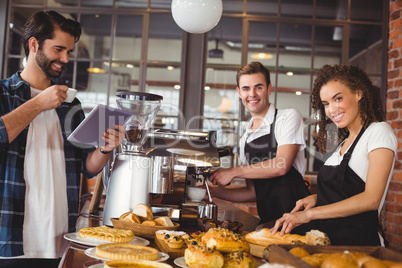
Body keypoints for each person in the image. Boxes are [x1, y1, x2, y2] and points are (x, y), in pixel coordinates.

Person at [0, 11, 124, 267]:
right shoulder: (3, 94)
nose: (65, 59)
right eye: (59, 49)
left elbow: (86, 167)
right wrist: (38, 104)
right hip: (10, 241)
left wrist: (105, 148)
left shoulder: (70, 104)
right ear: (34, 44)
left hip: (60, 239)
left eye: (69, 51)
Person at [269, 64, 397, 246]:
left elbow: (371, 199)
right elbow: (344, 192)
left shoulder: (379, 131)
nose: (331, 110)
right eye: (326, 104)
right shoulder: (342, 144)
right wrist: (316, 199)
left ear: (359, 93)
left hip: (360, 246)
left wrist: (309, 215)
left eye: (338, 99)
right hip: (330, 243)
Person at [208, 61, 311, 233]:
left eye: (258, 87)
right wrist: (214, 193)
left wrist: (234, 171)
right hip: (270, 225)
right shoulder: (245, 138)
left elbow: (281, 166)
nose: (252, 94)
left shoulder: (288, 118)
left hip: (299, 221)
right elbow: (252, 192)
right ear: (239, 92)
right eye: (246, 89)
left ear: (269, 89)